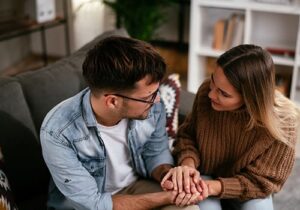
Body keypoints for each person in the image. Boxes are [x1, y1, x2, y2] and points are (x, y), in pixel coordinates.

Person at [40, 36, 204, 210]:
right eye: (148, 97)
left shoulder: (151, 107)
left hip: (135, 187)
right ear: (112, 101)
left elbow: (155, 152)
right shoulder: (58, 132)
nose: (157, 101)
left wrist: (168, 175)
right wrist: (167, 197)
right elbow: (93, 204)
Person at [161, 44, 299, 210]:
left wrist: (214, 187)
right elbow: (187, 136)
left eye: (224, 94)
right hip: (203, 177)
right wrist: (187, 166)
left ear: (250, 99)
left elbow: (263, 181)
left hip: (247, 189)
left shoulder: (285, 122)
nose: (211, 94)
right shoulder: (207, 92)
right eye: (213, 80)